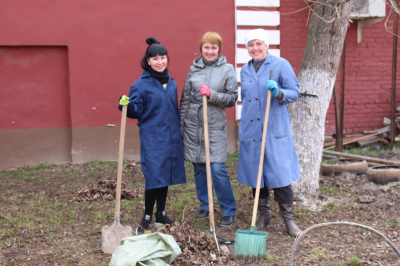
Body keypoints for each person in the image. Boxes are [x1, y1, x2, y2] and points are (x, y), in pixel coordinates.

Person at [237, 28, 302, 237]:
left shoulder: (280, 65)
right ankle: (263, 214)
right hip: (252, 130)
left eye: (258, 44)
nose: (255, 48)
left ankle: (288, 219)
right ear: (247, 48)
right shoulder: (245, 70)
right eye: (250, 45)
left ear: (266, 45)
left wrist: (279, 92)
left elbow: (295, 92)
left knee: (281, 176)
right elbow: (246, 99)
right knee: (257, 176)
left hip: (274, 129)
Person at [118, 37, 186, 235]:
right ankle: (147, 215)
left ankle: (161, 213)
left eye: (162, 58)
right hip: (153, 137)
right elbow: (134, 111)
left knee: (164, 174)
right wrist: (126, 104)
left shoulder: (171, 83)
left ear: (167, 59)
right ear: (148, 61)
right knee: (154, 175)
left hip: (171, 136)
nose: (159, 62)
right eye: (154, 58)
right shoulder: (140, 85)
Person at [180, 32, 237, 227]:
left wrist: (212, 94)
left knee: (217, 168)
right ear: (201, 49)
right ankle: (205, 204)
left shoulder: (227, 70)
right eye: (206, 47)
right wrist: (182, 125)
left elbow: (231, 98)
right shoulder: (193, 69)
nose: (210, 51)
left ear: (219, 49)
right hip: (194, 125)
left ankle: (228, 209)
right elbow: (185, 99)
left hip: (214, 125)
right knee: (199, 167)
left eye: (214, 48)